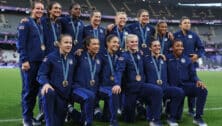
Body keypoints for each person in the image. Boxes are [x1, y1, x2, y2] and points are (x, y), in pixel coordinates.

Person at [115, 34, 163, 126]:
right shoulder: (124, 56)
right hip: (130, 90)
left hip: (141, 87)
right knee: (129, 120)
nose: (134, 43)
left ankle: (155, 120)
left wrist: (158, 55)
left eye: (136, 41)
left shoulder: (140, 54)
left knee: (157, 91)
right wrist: (117, 84)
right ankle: (137, 106)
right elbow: (119, 71)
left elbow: (150, 59)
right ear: (127, 44)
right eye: (132, 42)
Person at [37, 34, 80, 126]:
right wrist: (45, 84)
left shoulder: (72, 58)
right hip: (53, 93)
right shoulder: (50, 57)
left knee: (59, 123)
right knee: (48, 91)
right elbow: (41, 74)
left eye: (70, 43)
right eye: (66, 42)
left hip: (64, 96)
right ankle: (46, 117)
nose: (69, 45)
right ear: (59, 44)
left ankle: (68, 109)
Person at [143, 39, 184, 126]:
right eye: (155, 46)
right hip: (152, 90)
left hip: (164, 88)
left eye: (159, 45)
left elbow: (175, 57)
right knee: (156, 93)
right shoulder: (145, 60)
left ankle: (171, 117)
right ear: (150, 48)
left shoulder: (164, 59)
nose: (157, 47)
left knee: (179, 92)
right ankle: (155, 120)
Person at [167, 39, 208, 126]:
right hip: (173, 87)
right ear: (172, 48)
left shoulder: (187, 59)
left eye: (181, 46)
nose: (180, 48)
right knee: (178, 117)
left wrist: (198, 81)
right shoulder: (166, 58)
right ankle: (172, 118)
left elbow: (193, 75)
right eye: (177, 46)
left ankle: (198, 117)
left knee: (202, 89)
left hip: (185, 85)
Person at [17, 1, 44, 125]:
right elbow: (20, 44)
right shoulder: (26, 23)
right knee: (28, 91)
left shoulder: (40, 24)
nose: (39, 11)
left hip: (40, 63)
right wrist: (24, 60)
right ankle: (26, 119)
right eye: (37, 8)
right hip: (29, 63)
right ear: (32, 9)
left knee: (35, 92)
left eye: (41, 9)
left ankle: (31, 117)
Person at [174, 16, 205, 116]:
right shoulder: (175, 35)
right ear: (180, 25)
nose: (187, 24)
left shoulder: (194, 35)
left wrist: (197, 55)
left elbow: (201, 48)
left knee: (193, 83)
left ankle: (191, 109)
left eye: (189, 23)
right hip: (178, 65)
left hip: (190, 64)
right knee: (179, 84)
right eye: (185, 22)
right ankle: (176, 108)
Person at [73, 36, 102, 126]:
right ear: (87, 46)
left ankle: (76, 115)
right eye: (94, 44)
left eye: (98, 44)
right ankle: (88, 123)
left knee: (82, 118)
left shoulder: (99, 58)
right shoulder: (79, 56)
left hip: (92, 89)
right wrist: (76, 52)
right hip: (78, 88)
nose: (97, 46)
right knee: (89, 97)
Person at [99, 35, 122, 126]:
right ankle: (114, 122)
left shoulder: (119, 55)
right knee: (114, 92)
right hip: (101, 86)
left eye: (118, 43)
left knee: (114, 90)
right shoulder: (100, 54)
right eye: (114, 42)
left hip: (112, 85)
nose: (116, 44)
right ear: (108, 43)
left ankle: (106, 115)